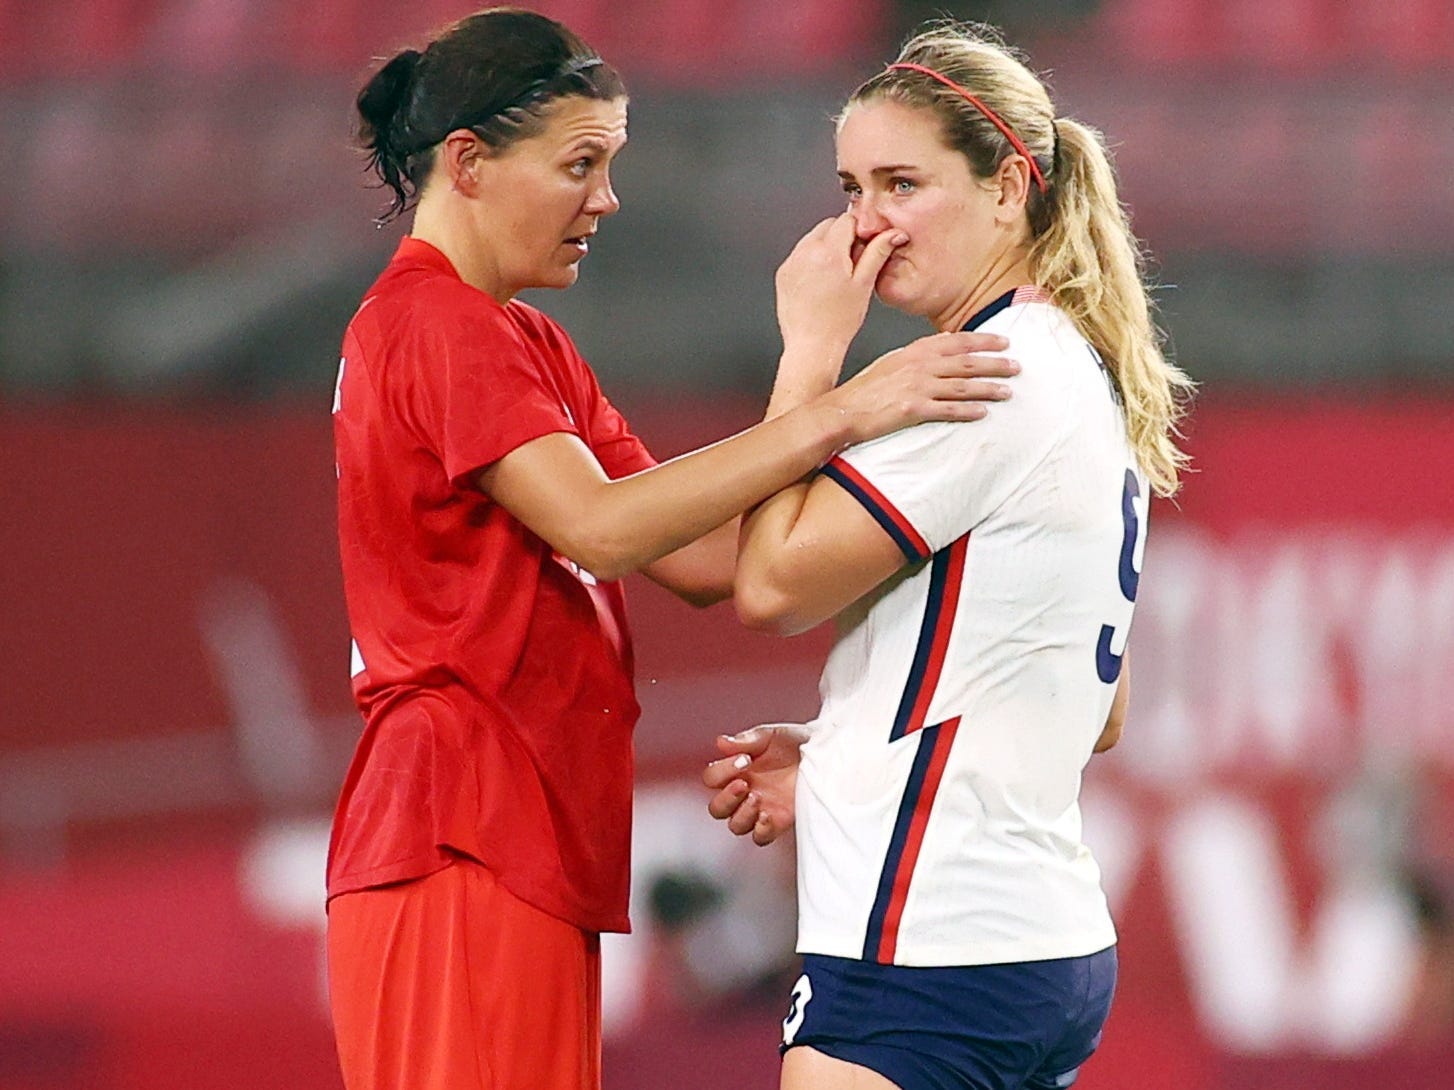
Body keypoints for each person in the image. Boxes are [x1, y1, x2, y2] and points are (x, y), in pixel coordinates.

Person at [324, 9, 1019, 1090]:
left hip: (522, 834)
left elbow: (701, 558)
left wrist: (939, 495)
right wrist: (838, 410)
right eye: (578, 163)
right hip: (454, 827)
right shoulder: (432, 322)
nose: (603, 199)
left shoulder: (522, 340)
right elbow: (600, 526)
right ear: (466, 162)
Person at [703, 21, 1193, 1090]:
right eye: (847, 188)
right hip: (1035, 936)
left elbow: (770, 583)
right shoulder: (1077, 361)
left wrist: (811, 353)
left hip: (923, 941)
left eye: (899, 183)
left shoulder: (981, 376)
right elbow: (1093, 711)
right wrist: (847, 757)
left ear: (1010, 186)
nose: (863, 225)